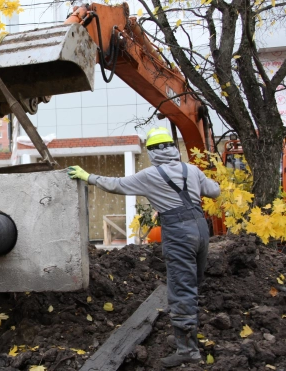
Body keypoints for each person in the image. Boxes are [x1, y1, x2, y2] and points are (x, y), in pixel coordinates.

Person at [67, 127, 221, 368]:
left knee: (181, 289)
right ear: (172, 148)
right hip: (201, 229)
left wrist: (88, 176)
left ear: (151, 152)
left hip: (179, 232)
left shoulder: (151, 175)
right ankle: (188, 333)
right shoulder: (191, 169)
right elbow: (215, 191)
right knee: (193, 283)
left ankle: (188, 351)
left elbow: (116, 184)